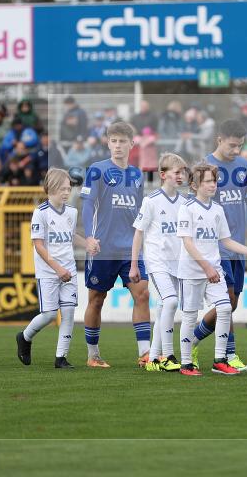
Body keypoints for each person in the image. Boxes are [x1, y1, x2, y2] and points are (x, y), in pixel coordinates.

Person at [176, 163, 247, 376]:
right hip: (192, 271)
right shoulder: (187, 208)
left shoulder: (217, 209)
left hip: (214, 271)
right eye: (207, 181)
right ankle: (186, 364)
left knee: (225, 308)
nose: (212, 185)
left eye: (214, 181)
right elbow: (188, 244)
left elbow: (226, 241)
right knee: (189, 316)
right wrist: (206, 267)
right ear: (195, 185)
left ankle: (219, 360)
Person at [81, 121, 151, 368]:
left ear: (132, 144)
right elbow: (88, 205)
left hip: (130, 248)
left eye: (123, 141)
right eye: (114, 141)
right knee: (96, 299)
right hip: (103, 249)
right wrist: (89, 236)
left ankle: (145, 354)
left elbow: (141, 213)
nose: (118, 146)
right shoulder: (97, 170)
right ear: (108, 143)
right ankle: (93, 355)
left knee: (142, 294)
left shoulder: (137, 175)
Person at [189, 120, 247, 372]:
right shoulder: (205, 167)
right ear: (219, 140)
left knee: (232, 304)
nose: (236, 151)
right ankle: (227, 356)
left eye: (240, 146)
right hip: (215, 248)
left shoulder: (243, 166)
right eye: (232, 145)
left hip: (236, 245)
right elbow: (192, 206)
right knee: (225, 302)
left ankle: (193, 340)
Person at [16, 168, 86, 369]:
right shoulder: (41, 213)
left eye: (69, 188)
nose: (67, 192)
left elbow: (71, 236)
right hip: (49, 272)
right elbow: (38, 245)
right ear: (51, 189)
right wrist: (57, 269)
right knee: (48, 314)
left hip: (69, 270)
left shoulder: (71, 211)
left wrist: (87, 243)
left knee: (69, 312)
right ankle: (25, 337)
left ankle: (61, 357)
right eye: (63, 189)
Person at [130, 153, 187, 373]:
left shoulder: (184, 202)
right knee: (171, 302)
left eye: (182, 171)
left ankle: (153, 359)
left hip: (177, 263)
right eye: (176, 172)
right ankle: (168, 356)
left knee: (164, 307)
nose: (180, 176)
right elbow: (138, 234)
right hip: (157, 262)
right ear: (163, 175)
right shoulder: (151, 201)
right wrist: (134, 264)